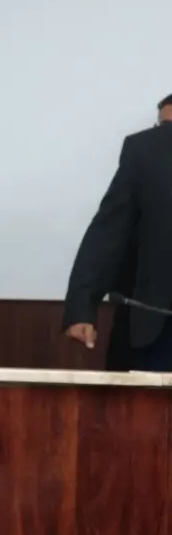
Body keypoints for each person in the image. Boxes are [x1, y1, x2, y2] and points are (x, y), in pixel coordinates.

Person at [62, 97, 172, 371]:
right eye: (162, 126)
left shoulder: (147, 148)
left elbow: (108, 231)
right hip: (157, 325)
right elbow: (109, 233)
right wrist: (81, 307)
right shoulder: (147, 151)